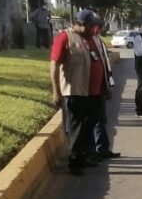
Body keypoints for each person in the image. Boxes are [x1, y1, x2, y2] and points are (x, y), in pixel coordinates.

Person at [50, 10, 106, 175]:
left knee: (89, 125)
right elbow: (54, 65)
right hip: (74, 91)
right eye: (91, 26)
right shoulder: (65, 38)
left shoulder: (89, 39)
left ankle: (84, 155)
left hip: (92, 93)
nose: (93, 29)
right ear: (81, 24)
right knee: (76, 128)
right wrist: (56, 91)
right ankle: (75, 163)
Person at [89, 16, 120, 160]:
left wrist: (109, 84)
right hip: (90, 88)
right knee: (93, 120)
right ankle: (93, 151)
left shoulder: (99, 41)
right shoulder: (87, 42)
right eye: (96, 26)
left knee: (102, 119)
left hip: (102, 85)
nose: (98, 29)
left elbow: (105, 64)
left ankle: (102, 149)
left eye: (100, 26)